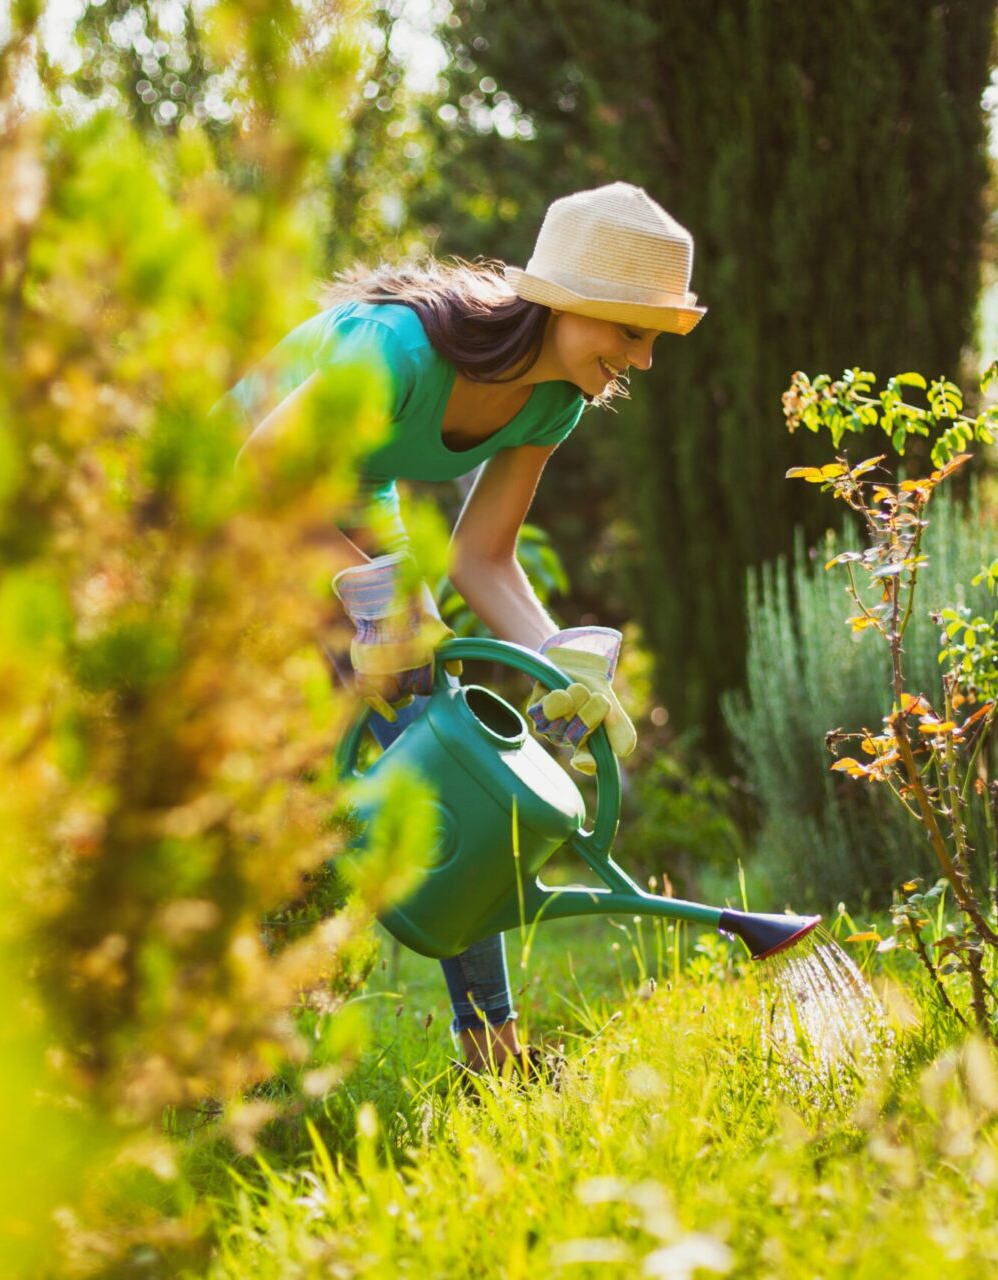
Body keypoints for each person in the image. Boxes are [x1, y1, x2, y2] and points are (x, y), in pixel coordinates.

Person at [233, 182, 705, 1079]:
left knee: (453, 752)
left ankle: (491, 1055)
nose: (643, 362)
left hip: (344, 507)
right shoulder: (402, 349)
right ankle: (237, 1047)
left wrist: (565, 660)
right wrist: (373, 592)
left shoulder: (552, 400)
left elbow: (481, 559)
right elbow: (259, 472)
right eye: (632, 334)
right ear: (571, 306)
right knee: (293, 756)